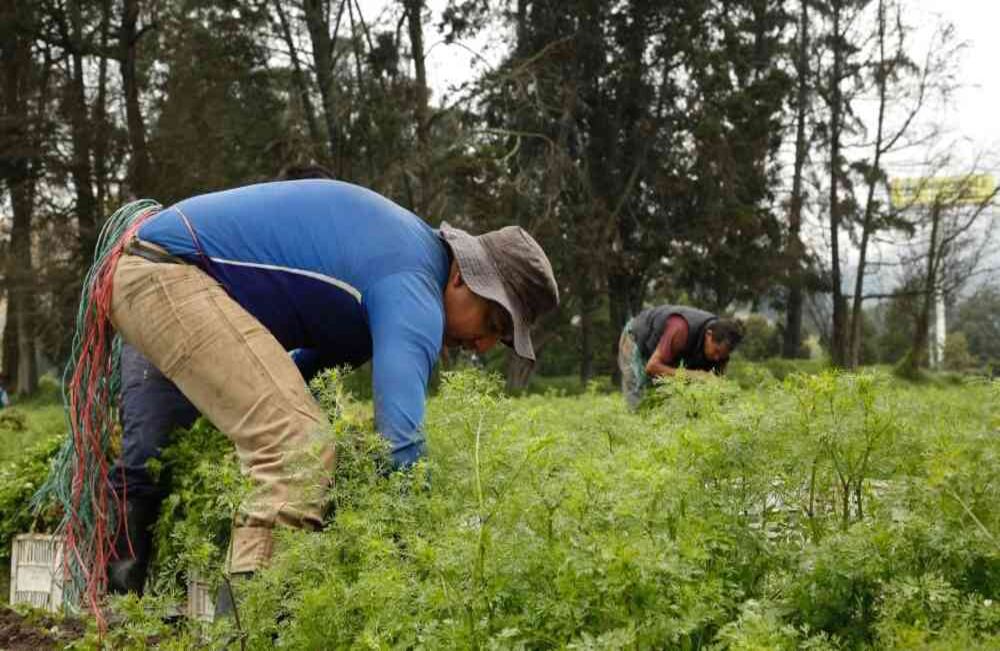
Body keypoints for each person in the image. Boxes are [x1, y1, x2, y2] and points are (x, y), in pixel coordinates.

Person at [102, 178, 559, 609]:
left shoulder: (387, 281)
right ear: (462, 278)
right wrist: (423, 558)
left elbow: (299, 381)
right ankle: (248, 633)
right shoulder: (415, 285)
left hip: (162, 270)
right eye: (491, 324)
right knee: (297, 448)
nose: (481, 345)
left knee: (290, 437)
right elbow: (401, 447)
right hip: (167, 272)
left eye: (496, 339)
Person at [618, 305, 744, 409]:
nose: (717, 358)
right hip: (637, 340)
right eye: (716, 351)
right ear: (708, 335)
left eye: (722, 355)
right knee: (640, 400)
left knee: (666, 401)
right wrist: (696, 375)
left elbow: (717, 387)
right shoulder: (680, 328)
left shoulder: (721, 352)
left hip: (666, 353)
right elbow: (652, 367)